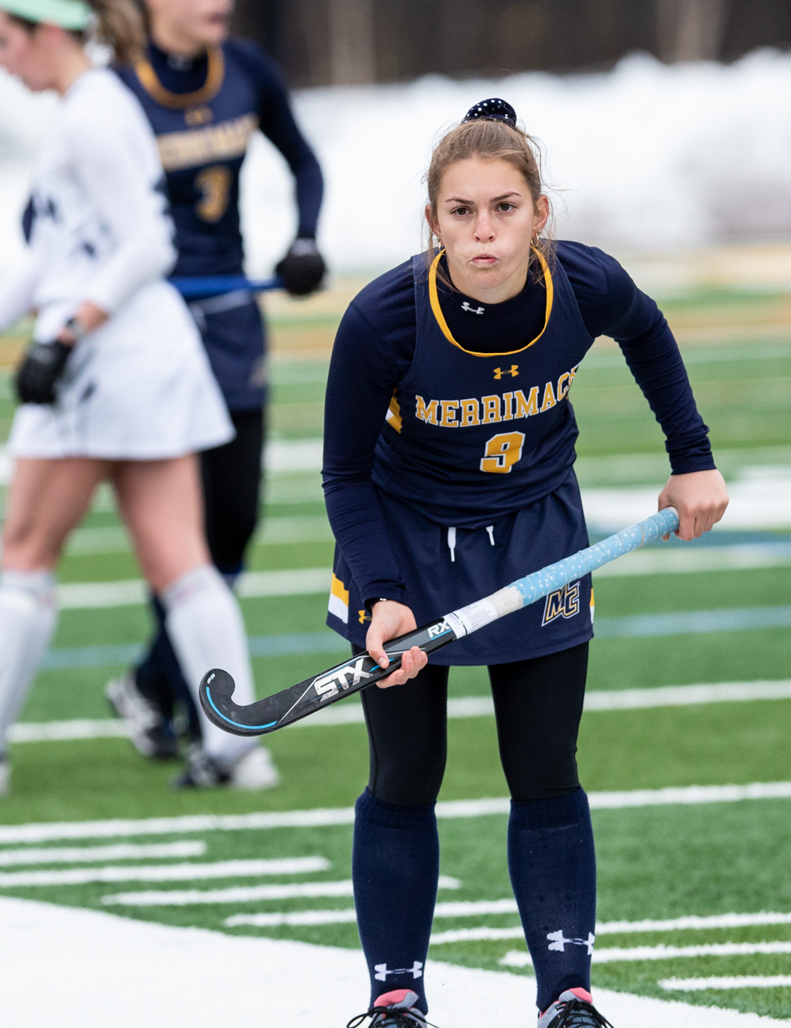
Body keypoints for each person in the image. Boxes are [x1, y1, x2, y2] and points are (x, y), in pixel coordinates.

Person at [322, 99, 728, 1027]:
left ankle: (567, 995)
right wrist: (381, 596)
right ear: (433, 221)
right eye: (461, 211)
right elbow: (343, 472)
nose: (485, 232)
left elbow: (648, 331)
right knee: (405, 771)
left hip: (539, 536)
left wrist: (692, 457)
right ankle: (395, 997)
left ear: (540, 213)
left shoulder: (583, 283)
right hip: (403, 545)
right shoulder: (383, 317)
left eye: (505, 208)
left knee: (545, 765)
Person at [0, 0, 276, 793]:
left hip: (105, 363)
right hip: (146, 357)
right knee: (182, 562)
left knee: (26, 555)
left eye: (5, 40)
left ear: (47, 31)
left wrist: (64, 335)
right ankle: (239, 745)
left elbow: (147, 245)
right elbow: (54, 252)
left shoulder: (92, 116)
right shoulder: (95, 106)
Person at [102, 0, 328, 761]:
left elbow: (304, 161)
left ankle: (151, 680)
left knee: (233, 518)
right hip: (150, 322)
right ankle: (183, 695)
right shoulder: (111, 91)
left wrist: (303, 238)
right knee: (177, 527)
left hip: (231, 315)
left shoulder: (248, 69)